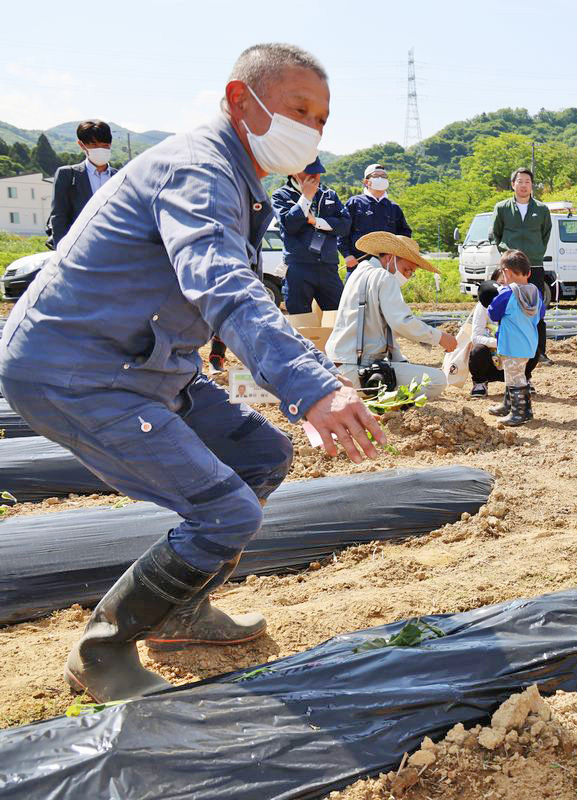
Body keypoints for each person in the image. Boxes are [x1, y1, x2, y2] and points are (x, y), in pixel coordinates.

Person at [0, 44, 385, 703]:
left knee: (261, 455)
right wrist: (313, 385)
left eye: (321, 118)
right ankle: (101, 651)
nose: (311, 129)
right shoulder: (198, 169)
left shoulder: (237, 180)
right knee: (225, 511)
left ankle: (177, 616)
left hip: (145, 366)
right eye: (299, 109)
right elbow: (223, 286)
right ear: (241, 100)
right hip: (79, 372)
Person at [325, 232, 456, 397]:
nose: (408, 276)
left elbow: (387, 328)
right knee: (437, 380)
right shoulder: (384, 277)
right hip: (358, 369)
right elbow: (401, 322)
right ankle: (387, 404)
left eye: (411, 273)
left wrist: (400, 360)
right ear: (389, 258)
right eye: (406, 269)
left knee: (403, 365)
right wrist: (440, 337)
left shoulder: (360, 272)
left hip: (338, 364)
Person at [271, 157, 350, 314]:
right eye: (309, 172)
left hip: (328, 266)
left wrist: (316, 221)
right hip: (299, 267)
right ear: (294, 171)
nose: (314, 177)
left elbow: (344, 226)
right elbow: (290, 225)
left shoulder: (329, 195)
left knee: (339, 316)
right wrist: (305, 197)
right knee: (300, 320)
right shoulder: (281, 195)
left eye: (318, 172)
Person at [492, 167, 552, 367]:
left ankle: (539, 351)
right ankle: (504, 347)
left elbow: (546, 234)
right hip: (510, 265)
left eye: (527, 181)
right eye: (520, 181)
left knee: (537, 307)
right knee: (506, 305)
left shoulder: (542, 209)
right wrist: (506, 253)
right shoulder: (502, 208)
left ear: (531, 185)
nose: (524, 185)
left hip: (534, 264)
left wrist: (536, 251)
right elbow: (497, 233)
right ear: (513, 184)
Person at [486, 250, 545, 426]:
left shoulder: (507, 294)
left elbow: (493, 313)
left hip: (512, 344)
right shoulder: (536, 293)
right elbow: (540, 314)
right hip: (528, 343)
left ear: (506, 272)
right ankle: (509, 405)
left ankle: (520, 413)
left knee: (515, 378)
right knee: (514, 374)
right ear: (528, 272)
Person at [47, 120, 117, 249]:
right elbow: (59, 216)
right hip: (80, 248)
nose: (100, 149)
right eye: (94, 145)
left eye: (105, 145)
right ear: (81, 145)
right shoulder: (68, 175)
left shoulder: (120, 177)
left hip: (115, 247)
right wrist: (62, 252)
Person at [339, 163, 412, 275]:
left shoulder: (393, 207)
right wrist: (347, 255)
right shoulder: (354, 202)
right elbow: (342, 231)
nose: (381, 179)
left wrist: (397, 254)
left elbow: (405, 233)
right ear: (366, 181)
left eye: (384, 177)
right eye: (376, 176)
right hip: (357, 264)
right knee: (354, 292)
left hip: (386, 266)